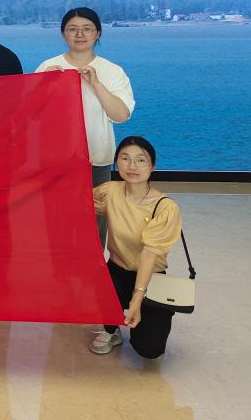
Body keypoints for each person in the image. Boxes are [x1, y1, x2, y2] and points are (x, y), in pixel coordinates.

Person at [35, 7, 134, 245]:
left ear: (97, 33)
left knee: (95, 228)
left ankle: (93, 269)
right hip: (56, 161)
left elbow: (121, 115)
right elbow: (31, 115)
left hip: (97, 160)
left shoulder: (112, 71)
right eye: (73, 29)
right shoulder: (48, 66)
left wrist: (96, 84)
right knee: (56, 224)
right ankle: (60, 267)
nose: (80, 34)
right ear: (63, 33)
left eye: (87, 29)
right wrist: (44, 84)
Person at [90, 136, 182, 359]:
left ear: (152, 166)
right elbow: (76, 201)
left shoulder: (165, 207)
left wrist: (137, 298)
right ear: (116, 163)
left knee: (150, 350)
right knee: (98, 282)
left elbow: (149, 253)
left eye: (141, 160)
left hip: (151, 276)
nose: (132, 166)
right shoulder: (110, 191)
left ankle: (139, 318)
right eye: (125, 158)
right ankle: (111, 330)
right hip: (116, 270)